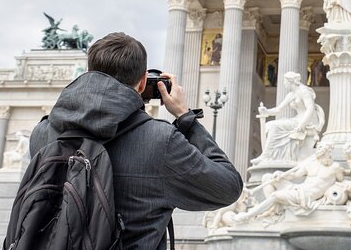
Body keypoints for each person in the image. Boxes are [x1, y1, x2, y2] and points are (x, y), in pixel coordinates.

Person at [28, 32, 243, 249]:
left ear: (88, 72)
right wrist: (186, 118)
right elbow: (229, 187)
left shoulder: (42, 133)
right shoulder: (161, 141)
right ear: (142, 83)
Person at [252, 71, 325, 165]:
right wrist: (266, 111)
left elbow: (310, 108)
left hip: (307, 122)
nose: (284, 84)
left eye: (285, 82)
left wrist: (302, 123)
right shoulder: (291, 95)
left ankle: (266, 156)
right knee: (269, 125)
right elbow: (278, 109)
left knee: (275, 126)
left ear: (290, 81)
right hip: (297, 119)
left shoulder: (304, 91)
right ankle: (270, 156)